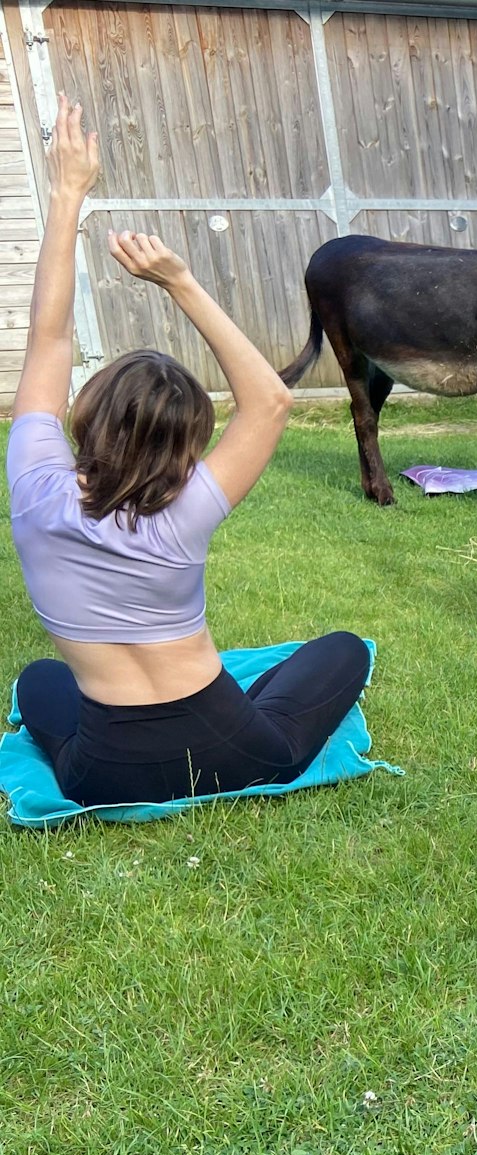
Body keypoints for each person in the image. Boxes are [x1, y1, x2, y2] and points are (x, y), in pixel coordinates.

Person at [8, 96, 371, 806]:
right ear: (189, 444)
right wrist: (179, 281)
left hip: (98, 773)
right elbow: (270, 400)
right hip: (231, 751)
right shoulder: (186, 513)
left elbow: (47, 341)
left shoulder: (34, 487)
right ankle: (254, 706)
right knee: (344, 651)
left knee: (36, 681)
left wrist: (66, 193)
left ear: (85, 415)